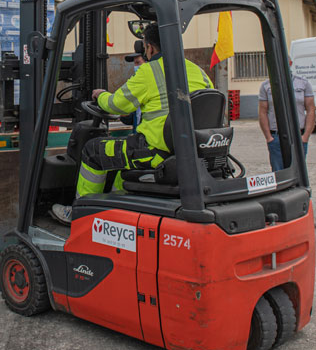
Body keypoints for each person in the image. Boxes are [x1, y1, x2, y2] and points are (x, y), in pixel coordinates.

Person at [51, 24, 213, 224]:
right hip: (189, 151)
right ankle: (116, 209)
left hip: (156, 152)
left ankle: (81, 215)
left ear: (150, 48)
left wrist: (100, 95)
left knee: (93, 150)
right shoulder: (198, 72)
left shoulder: (150, 71)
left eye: (145, 47)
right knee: (123, 159)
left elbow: (116, 105)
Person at [258, 61, 315, 171]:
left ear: (290, 63)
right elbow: (262, 112)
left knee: (298, 172)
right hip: (276, 137)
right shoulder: (266, 86)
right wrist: (269, 137)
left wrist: (306, 136)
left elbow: (311, 110)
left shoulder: (303, 83)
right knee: (278, 173)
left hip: (298, 136)